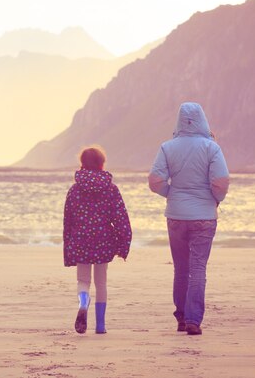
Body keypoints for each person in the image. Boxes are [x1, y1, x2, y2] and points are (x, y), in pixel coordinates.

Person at [148, 102, 229, 336]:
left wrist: (171, 193)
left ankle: (181, 317)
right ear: (203, 120)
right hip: (204, 216)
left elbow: (155, 181)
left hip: (176, 216)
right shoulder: (212, 148)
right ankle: (194, 320)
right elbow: (221, 182)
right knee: (198, 270)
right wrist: (215, 199)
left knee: (181, 269)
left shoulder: (167, 147)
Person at [63, 146, 132, 334]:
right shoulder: (111, 189)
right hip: (104, 240)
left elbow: (68, 220)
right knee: (101, 283)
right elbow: (120, 218)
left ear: (82, 164)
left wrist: (68, 246)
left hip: (81, 239)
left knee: (83, 280)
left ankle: (83, 304)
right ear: (102, 164)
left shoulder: (75, 190)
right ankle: (100, 326)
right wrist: (124, 244)